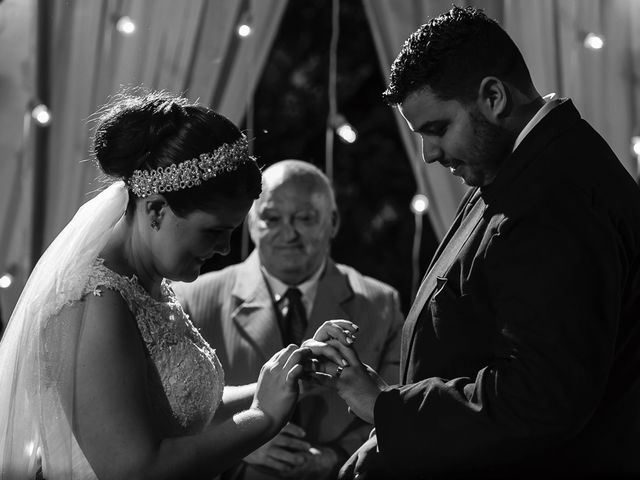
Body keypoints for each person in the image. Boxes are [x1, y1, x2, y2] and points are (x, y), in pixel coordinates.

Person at [312, 6, 640, 479]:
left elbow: (539, 398)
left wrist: (389, 410)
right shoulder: (521, 167)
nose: (429, 154)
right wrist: (398, 437)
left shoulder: (554, 196)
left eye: (437, 128)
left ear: (493, 96)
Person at [0, 89, 351, 480]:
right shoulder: (93, 301)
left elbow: (188, 411)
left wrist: (284, 378)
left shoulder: (147, 284)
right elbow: (135, 471)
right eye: (215, 231)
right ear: (156, 210)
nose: (225, 249)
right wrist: (262, 418)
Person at [173, 159, 404, 480]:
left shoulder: (381, 302)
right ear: (251, 224)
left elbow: (397, 410)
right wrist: (240, 440)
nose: (288, 233)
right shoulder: (193, 298)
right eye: (271, 218)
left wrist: (333, 459)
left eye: (304, 218)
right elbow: (167, 416)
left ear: (333, 221)